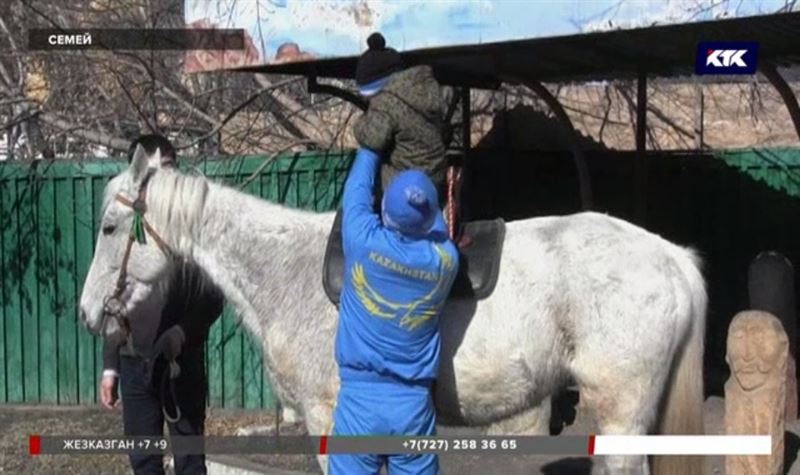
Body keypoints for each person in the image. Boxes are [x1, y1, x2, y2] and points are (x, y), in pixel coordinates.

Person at [328, 144, 460, 474]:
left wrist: (371, 148)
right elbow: (438, 226)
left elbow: (356, 189)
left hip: (359, 406)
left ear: (384, 209)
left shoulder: (361, 239)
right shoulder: (445, 262)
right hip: (412, 411)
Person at [99, 134, 224, 475]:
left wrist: (182, 334)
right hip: (134, 364)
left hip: (180, 363)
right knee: (144, 461)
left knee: (190, 461)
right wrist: (111, 367)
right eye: (150, 172)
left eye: (167, 168)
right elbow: (112, 299)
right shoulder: (126, 230)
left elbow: (213, 296)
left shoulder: (193, 228)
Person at [353, 32, 449, 206]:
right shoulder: (424, 87)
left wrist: (359, 123)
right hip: (434, 179)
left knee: (371, 173)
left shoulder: (387, 101)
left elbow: (373, 138)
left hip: (407, 187)